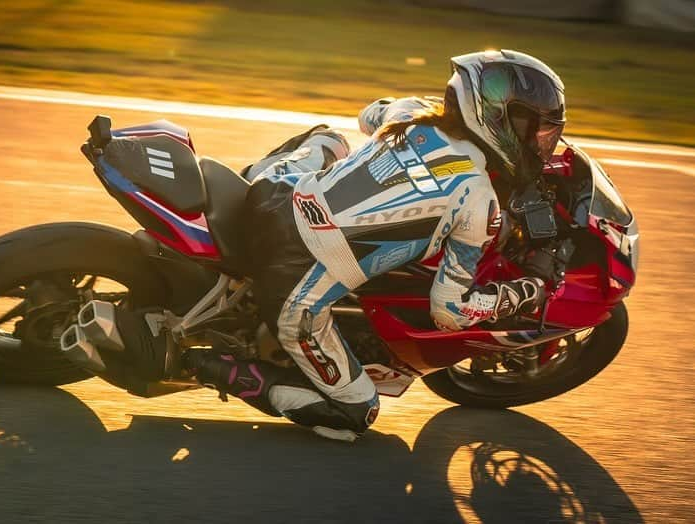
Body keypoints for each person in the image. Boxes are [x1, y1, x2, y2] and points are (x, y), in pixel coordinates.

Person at [121, 49, 566, 442]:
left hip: (273, 193)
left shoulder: (411, 115)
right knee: (356, 413)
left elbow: (370, 112)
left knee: (329, 140)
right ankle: (198, 364)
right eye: (535, 128)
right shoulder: (479, 203)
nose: (539, 142)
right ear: (499, 120)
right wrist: (526, 292)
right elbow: (449, 310)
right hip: (293, 280)